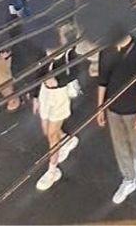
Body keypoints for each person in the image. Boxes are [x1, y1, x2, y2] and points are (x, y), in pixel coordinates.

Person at [96, 28, 136, 206]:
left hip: (132, 107)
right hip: (113, 107)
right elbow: (102, 80)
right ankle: (129, 178)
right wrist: (100, 107)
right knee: (119, 144)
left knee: (134, 140)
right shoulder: (106, 50)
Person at [35, 59, 80, 191]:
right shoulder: (43, 52)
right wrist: (35, 96)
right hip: (45, 91)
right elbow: (37, 70)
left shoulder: (68, 53)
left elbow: (75, 72)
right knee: (46, 130)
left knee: (52, 135)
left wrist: (58, 82)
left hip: (59, 94)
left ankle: (52, 171)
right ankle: (66, 140)